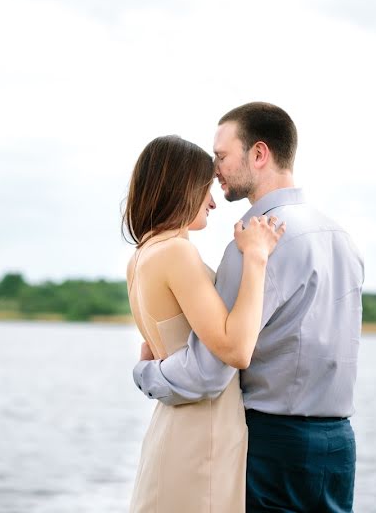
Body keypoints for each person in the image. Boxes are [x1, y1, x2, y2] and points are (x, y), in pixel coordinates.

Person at [133, 102, 365, 512]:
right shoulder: (341, 238)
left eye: (221, 157)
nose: (215, 170)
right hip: (339, 446)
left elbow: (209, 370)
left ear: (258, 154)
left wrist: (147, 373)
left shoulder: (252, 245)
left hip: (272, 444)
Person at [123, 134, 285, 513]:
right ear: (180, 188)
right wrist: (257, 257)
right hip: (203, 435)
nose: (213, 201)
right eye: (205, 188)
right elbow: (236, 348)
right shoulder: (176, 252)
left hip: (173, 427)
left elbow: (151, 351)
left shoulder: (140, 256)